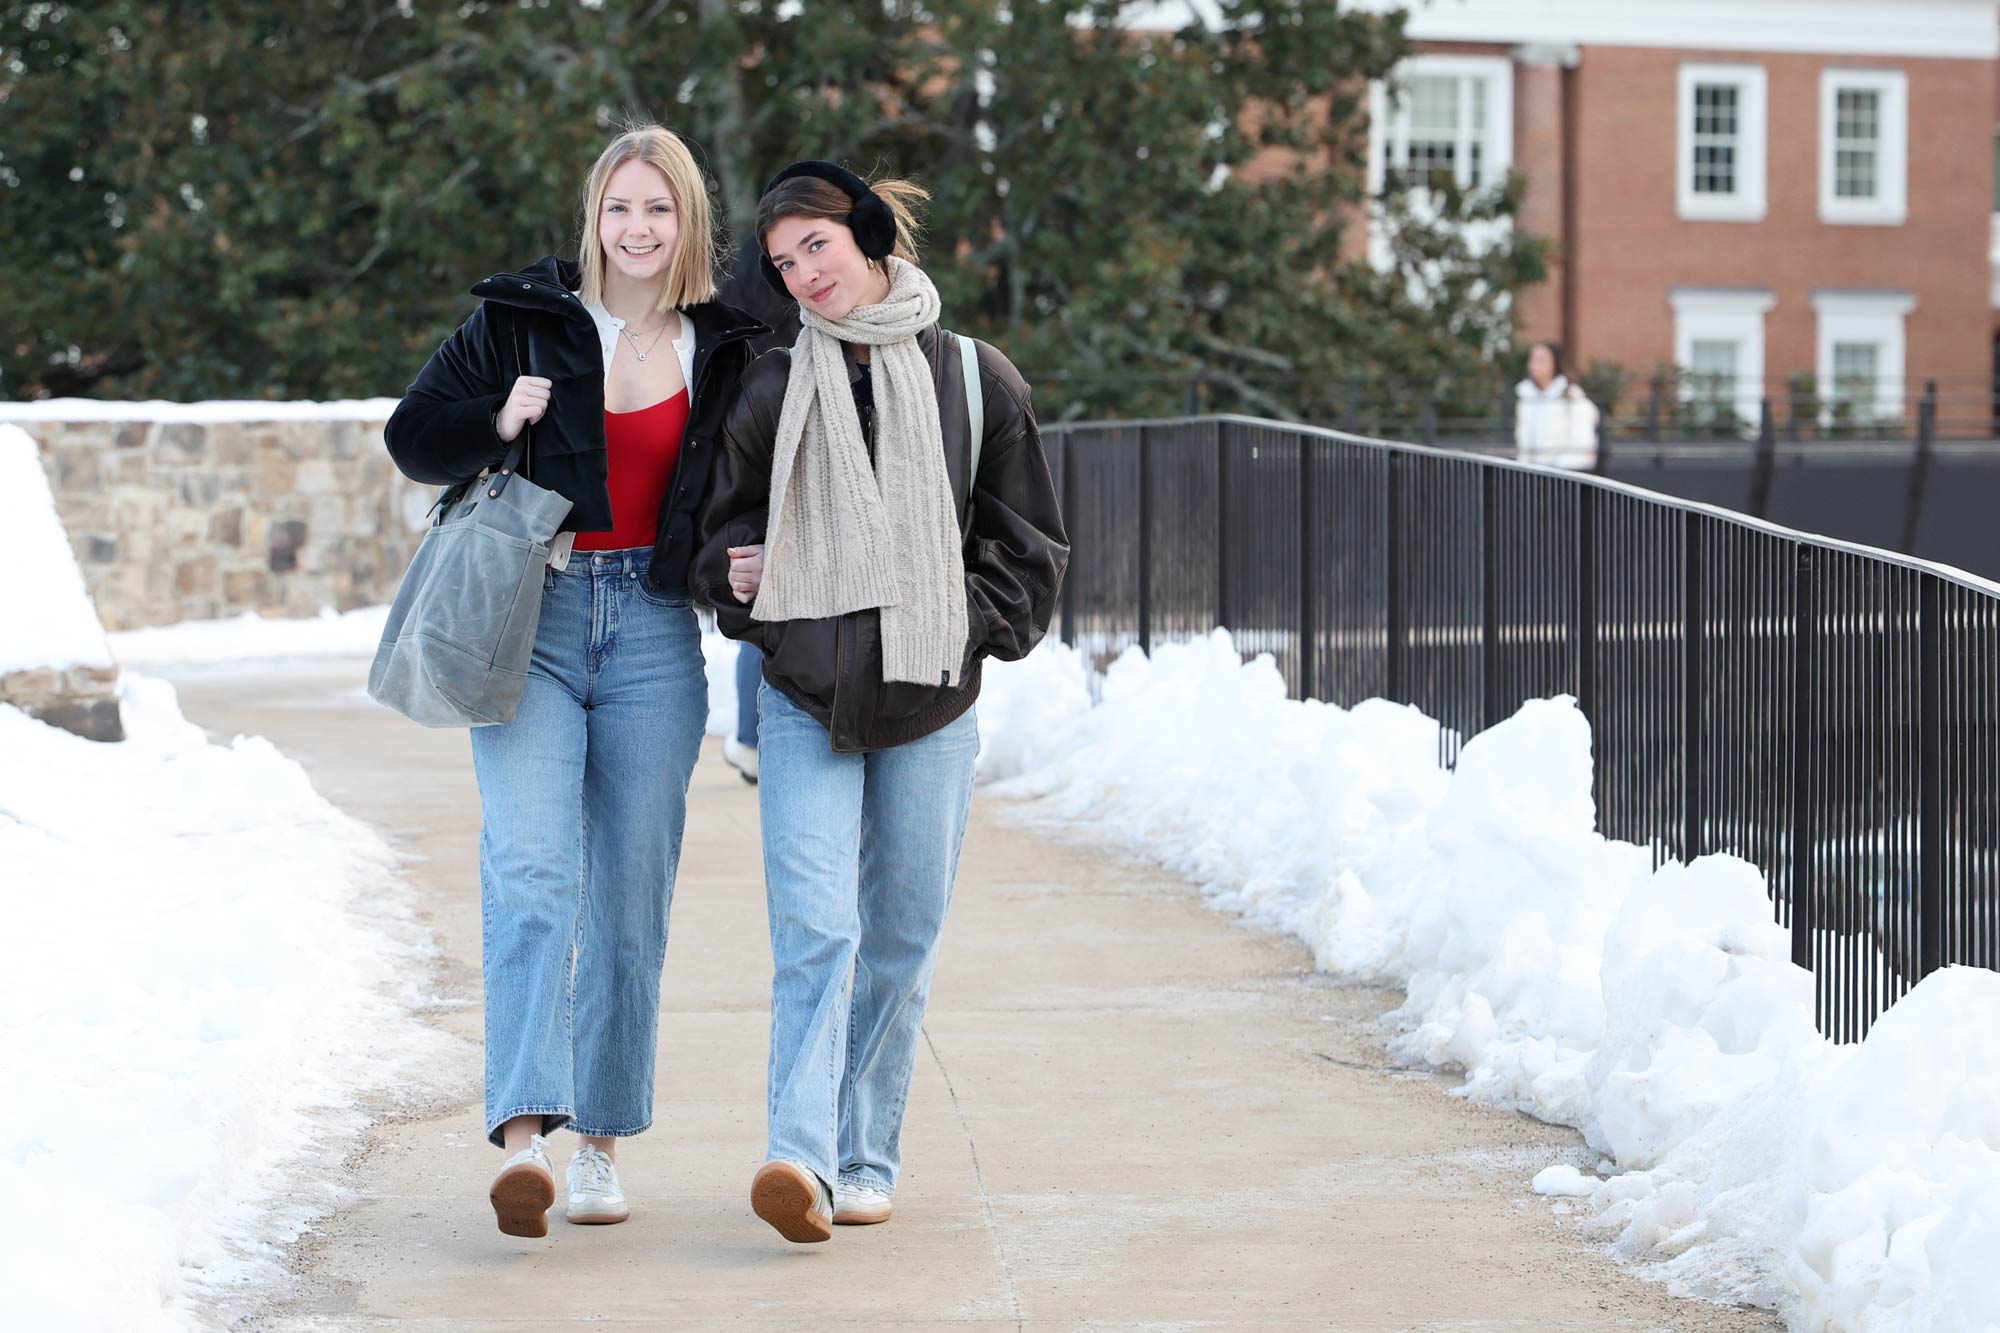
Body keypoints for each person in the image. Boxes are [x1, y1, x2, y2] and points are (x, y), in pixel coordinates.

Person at [383, 125, 763, 1238]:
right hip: (531, 620)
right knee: (534, 870)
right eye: (618, 208)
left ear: (686, 222)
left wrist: (740, 551)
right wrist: (501, 416)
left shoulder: (727, 341)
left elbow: (760, 470)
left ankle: (598, 1143)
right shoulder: (525, 321)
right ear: (592, 217)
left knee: (630, 899)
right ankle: (523, 1141)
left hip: (653, 632)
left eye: (659, 209)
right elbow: (414, 435)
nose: (636, 230)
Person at [693, 161, 1068, 1243]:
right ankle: (797, 1161)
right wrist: (746, 582)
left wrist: (964, 630)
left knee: (898, 939)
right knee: (816, 930)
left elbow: (1028, 544)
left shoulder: (973, 379)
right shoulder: (770, 386)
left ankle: (866, 1156)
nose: (804, 274)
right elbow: (717, 541)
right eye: (782, 263)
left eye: (817, 246)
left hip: (930, 706)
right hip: (806, 700)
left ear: (865, 236)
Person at [1514, 340, 1599, 470]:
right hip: (1532, 475)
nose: (1535, 365)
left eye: (1541, 360)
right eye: (1533, 359)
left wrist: (1559, 472)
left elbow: (1582, 443)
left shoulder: (1571, 396)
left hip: (1563, 475)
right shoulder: (1525, 397)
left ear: (1555, 363)